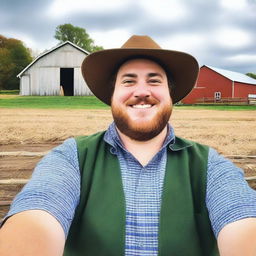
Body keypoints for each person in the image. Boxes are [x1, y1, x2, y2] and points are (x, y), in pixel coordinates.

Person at [0, 35, 256, 256]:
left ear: (171, 96)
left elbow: (242, 218)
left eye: (154, 81)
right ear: (112, 96)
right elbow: (40, 207)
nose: (142, 91)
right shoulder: (71, 158)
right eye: (129, 81)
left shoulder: (209, 165)